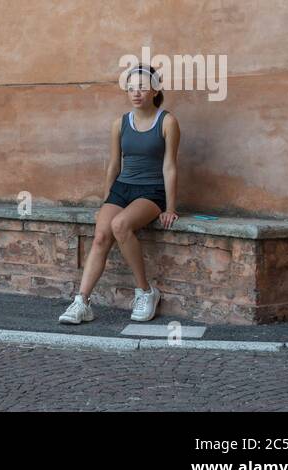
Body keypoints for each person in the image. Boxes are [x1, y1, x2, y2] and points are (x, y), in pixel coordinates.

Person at [59, 65, 180, 324]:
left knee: (120, 225)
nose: (136, 93)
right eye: (131, 88)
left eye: (143, 87)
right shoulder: (120, 123)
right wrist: (106, 201)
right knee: (102, 234)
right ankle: (82, 302)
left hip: (151, 191)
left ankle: (146, 292)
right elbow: (114, 165)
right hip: (121, 189)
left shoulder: (167, 121)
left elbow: (169, 166)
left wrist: (170, 207)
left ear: (155, 89)